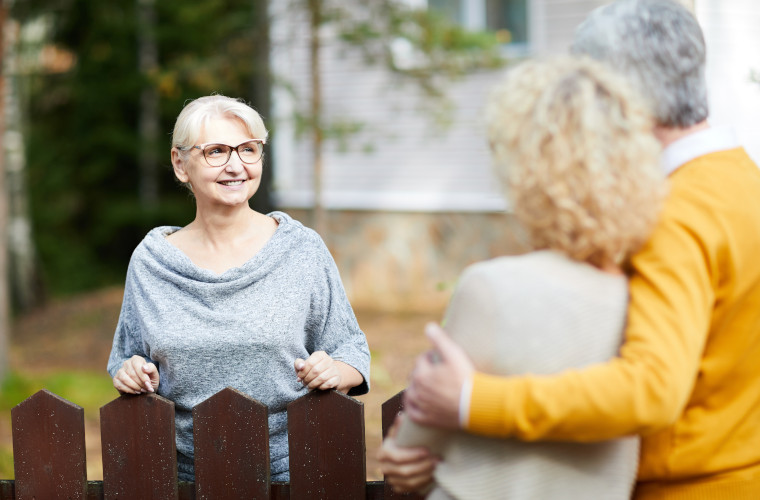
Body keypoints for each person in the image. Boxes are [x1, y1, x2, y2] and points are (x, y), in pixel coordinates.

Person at [382, 1, 760, 498]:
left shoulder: (672, 214)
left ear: (623, 94)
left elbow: (652, 390)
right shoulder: (742, 180)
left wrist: (473, 400)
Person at [387, 55, 665, 500]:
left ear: (523, 166)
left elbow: (411, 453)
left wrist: (404, 454)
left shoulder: (491, 288)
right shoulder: (647, 296)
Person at [107, 95, 371, 482]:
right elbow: (126, 359)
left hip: (292, 475)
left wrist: (335, 370)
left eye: (249, 149)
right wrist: (129, 372)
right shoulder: (152, 262)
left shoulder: (301, 249)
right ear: (180, 164)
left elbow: (352, 351)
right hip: (181, 479)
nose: (236, 165)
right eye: (216, 151)